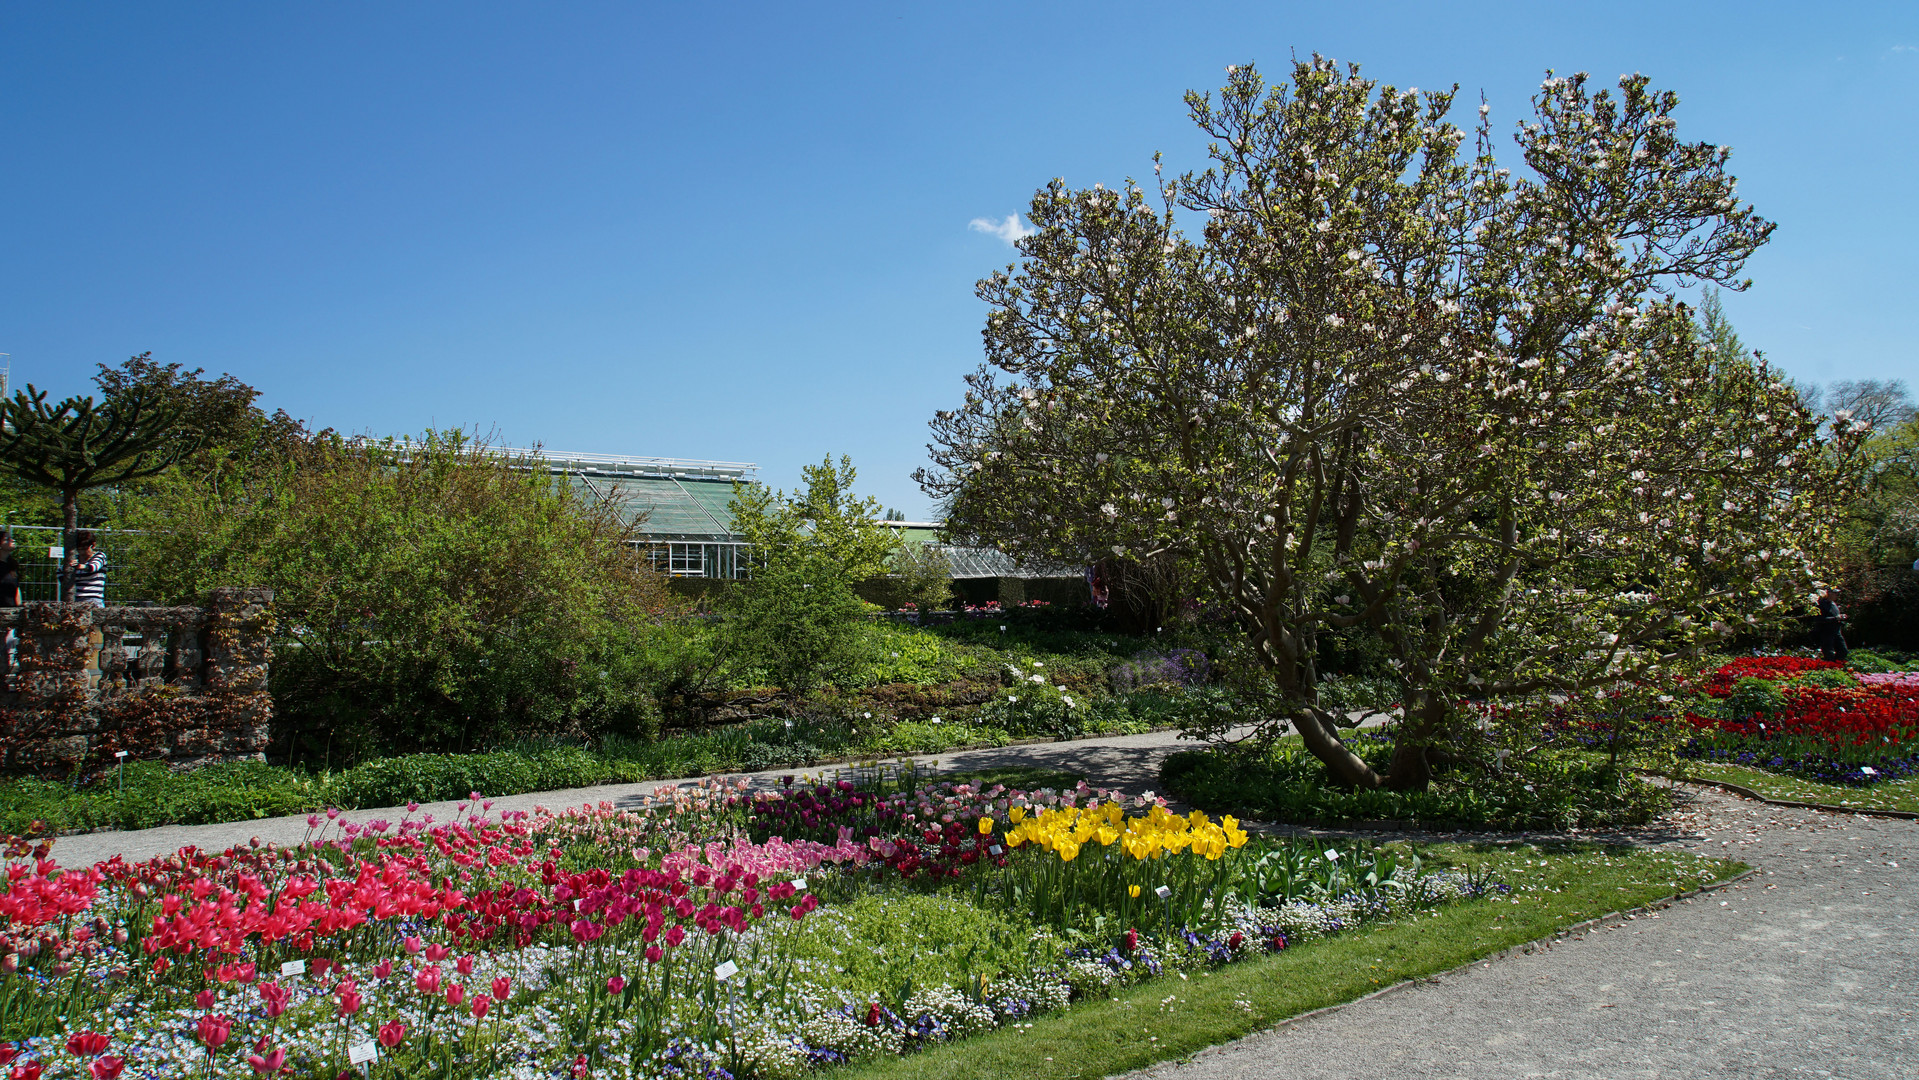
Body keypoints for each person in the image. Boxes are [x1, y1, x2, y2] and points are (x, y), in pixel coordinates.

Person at [61, 530, 107, 607]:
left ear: (93, 545)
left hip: (94, 600)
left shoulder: (100, 556)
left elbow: (93, 567)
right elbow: (60, 570)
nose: (82, 552)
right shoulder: (75, 559)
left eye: (85, 548)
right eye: (79, 549)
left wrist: (80, 566)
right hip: (76, 599)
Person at [0, 532, 17, 684]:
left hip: (11, 610)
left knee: (9, 646)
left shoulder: (12, 565)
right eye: (7, 539)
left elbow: (16, 589)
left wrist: (20, 607)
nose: (12, 540)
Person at [1814, 588, 1848, 664]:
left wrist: (1841, 617)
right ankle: (1830, 668)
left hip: (1837, 631)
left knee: (1843, 651)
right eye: (1835, 593)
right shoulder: (1821, 604)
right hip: (1826, 632)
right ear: (1828, 593)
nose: (1836, 595)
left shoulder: (1833, 604)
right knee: (1829, 653)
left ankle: (1837, 666)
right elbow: (1819, 619)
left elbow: (1835, 616)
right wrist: (1835, 618)